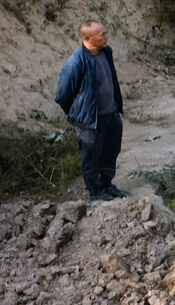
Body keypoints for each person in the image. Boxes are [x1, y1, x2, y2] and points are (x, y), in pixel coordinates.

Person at [55, 21, 129, 202]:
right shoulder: (76, 62)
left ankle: (107, 185)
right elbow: (62, 95)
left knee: (110, 151)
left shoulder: (106, 52)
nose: (106, 37)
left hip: (110, 114)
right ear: (87, 38)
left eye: (105, 33)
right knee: (91, 156)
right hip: (89, 120)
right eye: (102, 35)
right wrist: (79, 114)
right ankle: (96, 191)